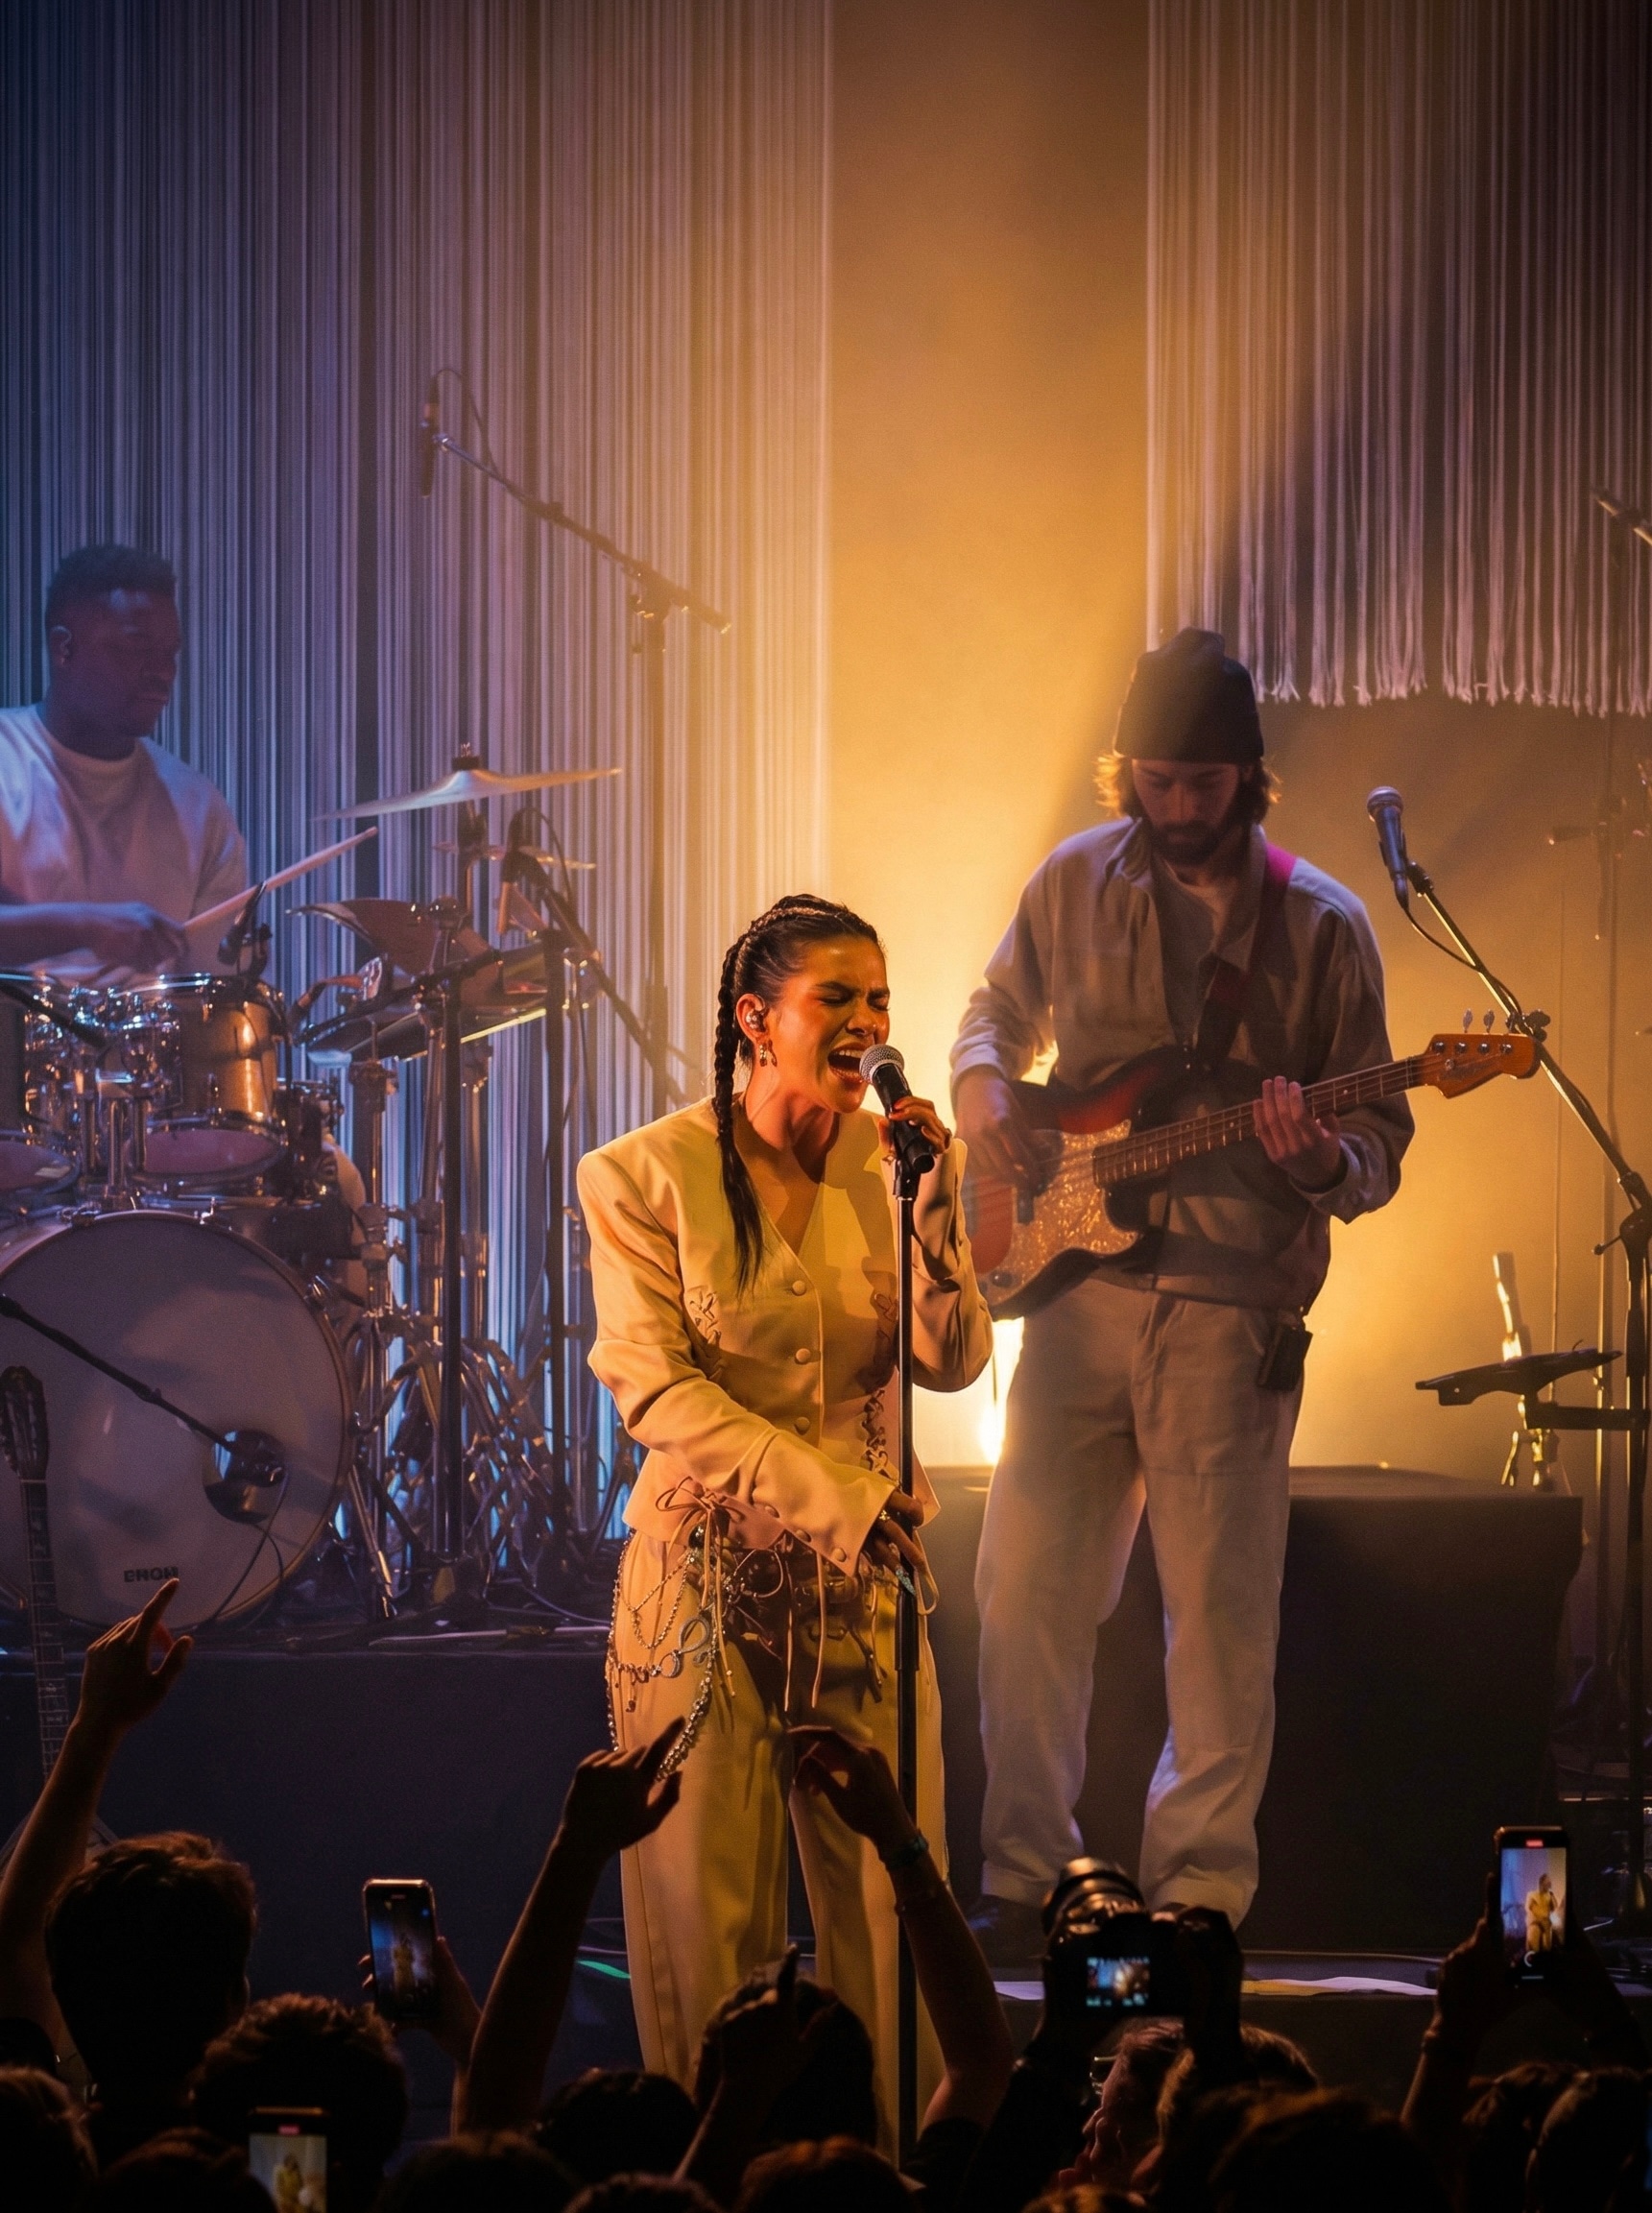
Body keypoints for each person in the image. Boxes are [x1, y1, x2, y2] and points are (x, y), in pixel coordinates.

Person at [951, 628, 1412, 1956]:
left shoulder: (1321, 921)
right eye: (1158, 781)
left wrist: (1323, 1153)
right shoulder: (1071, 881)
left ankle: (1198, 1900)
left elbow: (1380, 1147)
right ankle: (1022, 1878)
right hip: (1075, 1293)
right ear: (1128, 774)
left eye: (1204, 784)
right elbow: (994, 1009)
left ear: (1247, 778)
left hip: (1229, 1307)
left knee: (1214, 1619)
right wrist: (987, 1091)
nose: (1180, 807)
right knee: (1028, 1589)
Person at [576, 895, 994, 2136]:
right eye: (838, 1000)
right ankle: (712, 2173)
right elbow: (655, 1387)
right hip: (699, 1585)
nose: (868, 1024)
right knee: (709, 1929)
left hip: (865, 1592)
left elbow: (953, 1359)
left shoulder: (901, 1161)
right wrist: (838, 1499)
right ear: (757, 1020)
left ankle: (905, 2170)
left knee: (891, 1900)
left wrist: (935, 1209)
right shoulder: (639, 1175)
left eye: (878, 999)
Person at [0, 543, 246, 976]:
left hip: (148, 1045)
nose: (163, 672)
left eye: (170, 654)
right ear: (64, 649)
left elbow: (215, 992)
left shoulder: (198, 806)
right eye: (137, 649)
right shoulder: (8, 760)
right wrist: (85, 926)